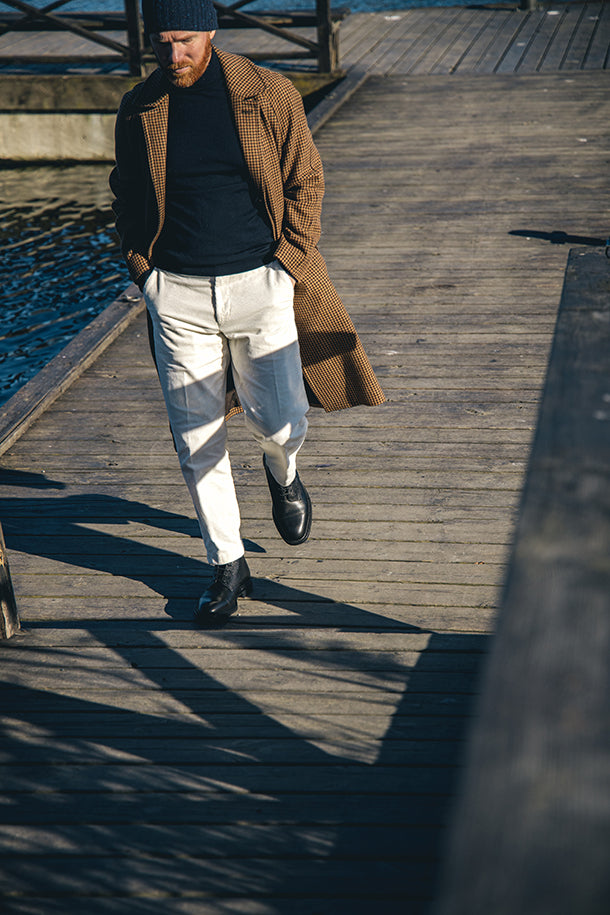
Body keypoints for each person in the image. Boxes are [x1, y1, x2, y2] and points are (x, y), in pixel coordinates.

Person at [109, 0, 385, 626]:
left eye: (182, 40)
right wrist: (142, 270)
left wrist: (288, 262)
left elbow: (306, 181)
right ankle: (227, 564)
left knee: (283, 420)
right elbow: (124, 187)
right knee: (196, 438)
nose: (172, 55)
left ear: (209, 31)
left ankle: (282, 471)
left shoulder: (267, 92)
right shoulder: (140, 105)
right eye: (161, 43)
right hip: (176, 293)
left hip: (261, 283)